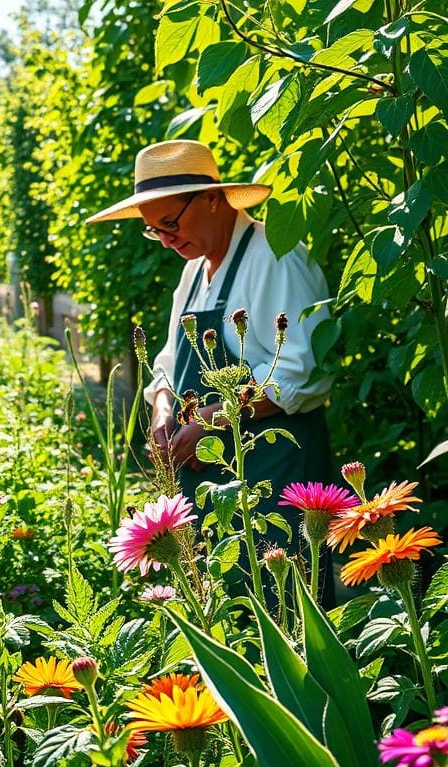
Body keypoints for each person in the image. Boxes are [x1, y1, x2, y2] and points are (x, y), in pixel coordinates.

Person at [86, 140, 332, 550]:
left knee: (282, 602)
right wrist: (163, 411)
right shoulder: (194, 272)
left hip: (275, 476)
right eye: (154, 230)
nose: (166, 240)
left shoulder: (275, 257)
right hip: (210, 482)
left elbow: (299, 374)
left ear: (213, 199)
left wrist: (213, 420)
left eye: (171, 223)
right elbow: (168, 360)